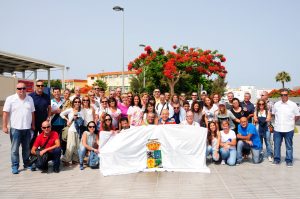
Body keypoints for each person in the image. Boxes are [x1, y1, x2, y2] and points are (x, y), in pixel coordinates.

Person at [2, 82, 35, 174]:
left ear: (26, 89)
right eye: (19, 88)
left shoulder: (30, 99)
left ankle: (27, 164)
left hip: (27, 128)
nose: (22, 90)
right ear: (16, 89)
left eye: (23, 88)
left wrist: (33, 124)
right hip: (15, 129)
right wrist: (4, 126)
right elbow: (5, 113)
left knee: (26, 148)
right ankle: (15, 166)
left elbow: (32, 113)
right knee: (14, 149)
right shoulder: (10, 99)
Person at [272, 88, 300, 167]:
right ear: (280, 95)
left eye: (285, 95)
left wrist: (291, 122)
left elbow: (297, 115)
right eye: (282, 95)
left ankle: (289, 160)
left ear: (288, 95)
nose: (283, 96)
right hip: (277, 129)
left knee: (289, 146)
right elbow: (273, 114)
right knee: (277, 145)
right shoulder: (276, 104)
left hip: (289, 129)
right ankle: (277, 159)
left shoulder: (293, 105)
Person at [60, 97, 85, 165]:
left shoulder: (82, 111)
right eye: (75, 102)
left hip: (79, 130)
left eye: (78, 102)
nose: (77, 103)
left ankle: (75, 159)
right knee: (71, 145)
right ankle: (66, 159)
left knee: (77, 146)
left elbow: (83, 121)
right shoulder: (70, 110)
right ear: (73, 103)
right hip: (71, 129)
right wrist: (68, 119)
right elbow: (61, 114)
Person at [29, 80, 51, 148]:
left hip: (43, 123)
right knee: (32, 139)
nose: (40, 87)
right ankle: (31, 155)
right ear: (35, 86)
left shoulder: (47, 96)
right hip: (33, 122)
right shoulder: (30, 96)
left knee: (44, 139)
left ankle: (43, 155)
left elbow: (49, 108)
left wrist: (48, 117)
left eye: (42, 85)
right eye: (38, 85)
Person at [50, 87, 65, 151]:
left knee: (63, 139)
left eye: (58, 92)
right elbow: (48, 113)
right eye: (55, 92)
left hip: (63, 123)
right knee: (54, 139)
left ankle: (62, 153)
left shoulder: (64, 101)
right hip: (54, 123)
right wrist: (54, 112)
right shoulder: (50, 102)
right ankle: (54, 153)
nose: (56, 93)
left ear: (60, 92)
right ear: (53, 93)